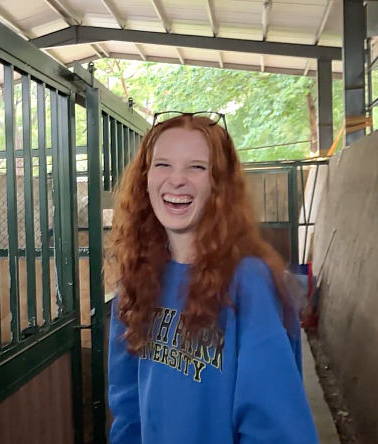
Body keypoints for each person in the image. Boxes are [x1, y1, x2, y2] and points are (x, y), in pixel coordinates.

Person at [106, 111, 319, 444]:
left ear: (218, 184)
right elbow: (126, 399)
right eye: (163, 164)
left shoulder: (248, 281)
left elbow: (275, 427)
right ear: (144, 179)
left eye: (196, 167)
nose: (177, 179)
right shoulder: (138, 277)